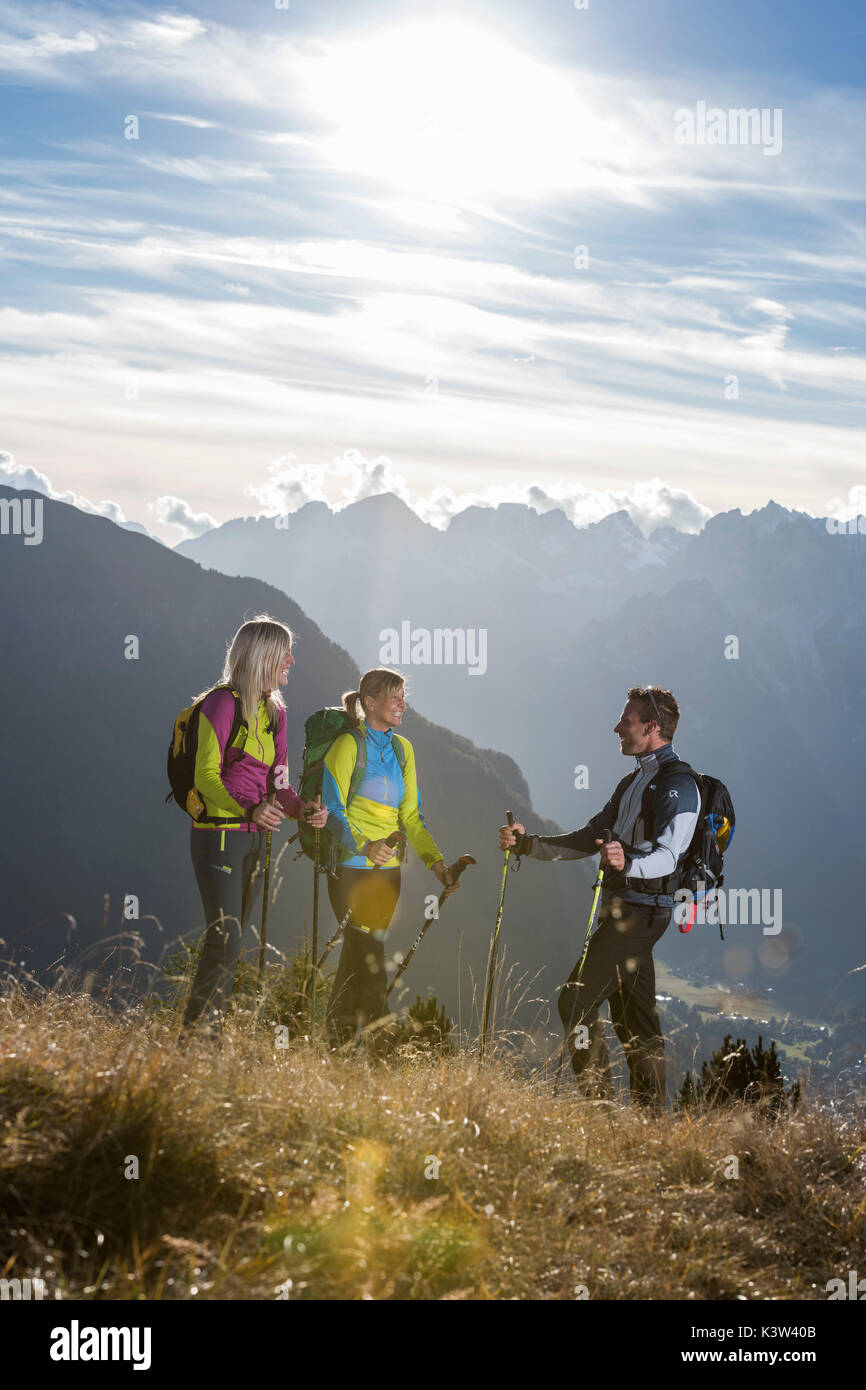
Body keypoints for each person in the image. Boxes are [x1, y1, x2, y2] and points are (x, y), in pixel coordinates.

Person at [499, 686, 700, 1109]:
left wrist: (627, 863)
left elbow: (668, 856)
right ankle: (651, 1126)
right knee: (636, 1024)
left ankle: (600, 1110)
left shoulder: (679, 783)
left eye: (626, 721)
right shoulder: (633, 780)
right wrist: (526, 845)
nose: (616, 727)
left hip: (642, 913)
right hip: (624, 911)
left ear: (652, 727)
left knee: (575, 999)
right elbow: (588, 838)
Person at [181, 615, 327, 1037]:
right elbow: (205, 776)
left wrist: (302, 810)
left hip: (256, 839)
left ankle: (206, 1038)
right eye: (285, 653)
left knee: (233, 942)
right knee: (223, 940)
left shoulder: (274, 711)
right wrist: (249, 810)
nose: (292, 661)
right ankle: (196, 1042)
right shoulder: (221, 704)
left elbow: (278, 781)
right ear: (263, 656)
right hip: (220, 835)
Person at [321, 668, 457, 1049]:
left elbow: (411, 817)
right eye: (394, 697)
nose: (403, 704)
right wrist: (363, 845)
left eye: (403, 696)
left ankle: (334, 1052)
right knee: (371, 961)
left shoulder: (402, 750)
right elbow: (332, 809)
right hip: (350, 871)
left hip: (389, 877)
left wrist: (436, 864)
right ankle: (383, 1061)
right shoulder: (348, 745)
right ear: (370, 702)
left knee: (355, 959)